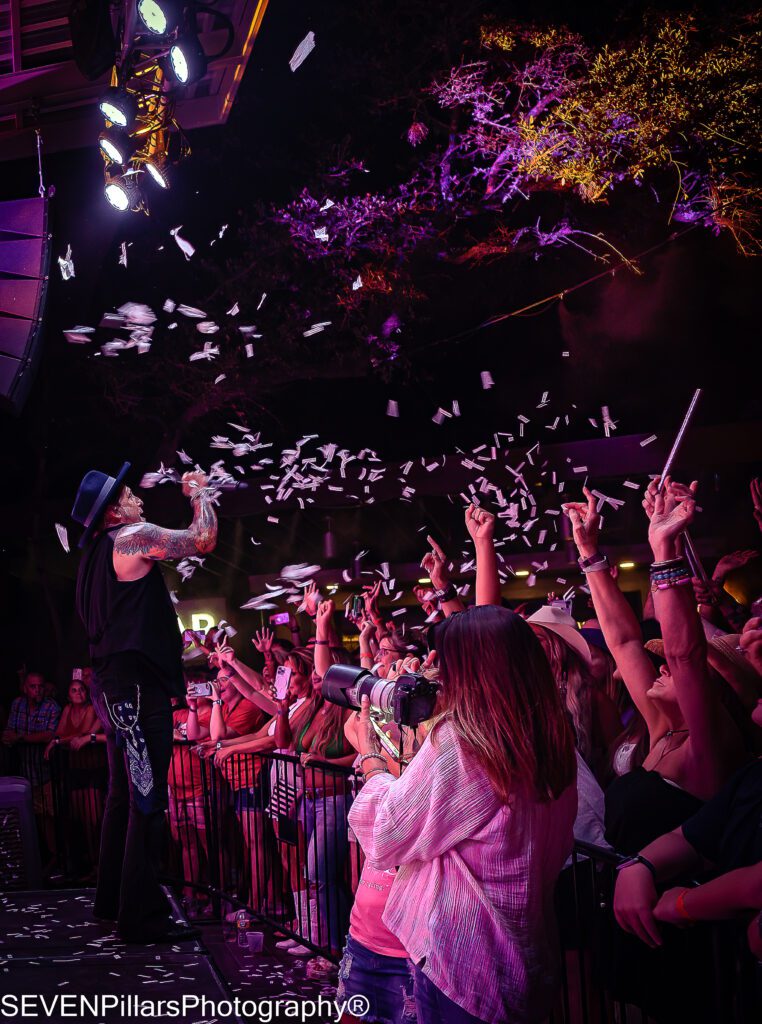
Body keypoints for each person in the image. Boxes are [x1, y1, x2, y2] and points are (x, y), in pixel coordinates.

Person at [348, 604, 578, 1024]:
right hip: (521, 949)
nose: (435, 670)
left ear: (471, 669)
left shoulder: (465, 743)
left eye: (444, 660)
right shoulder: (550, 734)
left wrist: (372, 761)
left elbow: (387, 835)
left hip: (464, 959)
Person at [72, 462, 217, 943]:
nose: (138, 498)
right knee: (148, 798)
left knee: (122, 796)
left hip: (114, 683)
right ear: (115, 511)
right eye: (130, 495)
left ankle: (113, 901)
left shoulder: (93, 554)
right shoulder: (130, 536)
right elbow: (202, 541)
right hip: (133, 689)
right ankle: (141, 918)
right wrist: (200, 492)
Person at [563, 482, 746, 853]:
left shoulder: (707, 744)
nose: (662, 669)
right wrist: (588, 552)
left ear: (712, 686)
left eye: (672, 669)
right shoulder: (663, 729)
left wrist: (663, 550)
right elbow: (625, 643)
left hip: (673, 899)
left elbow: (685, 657)